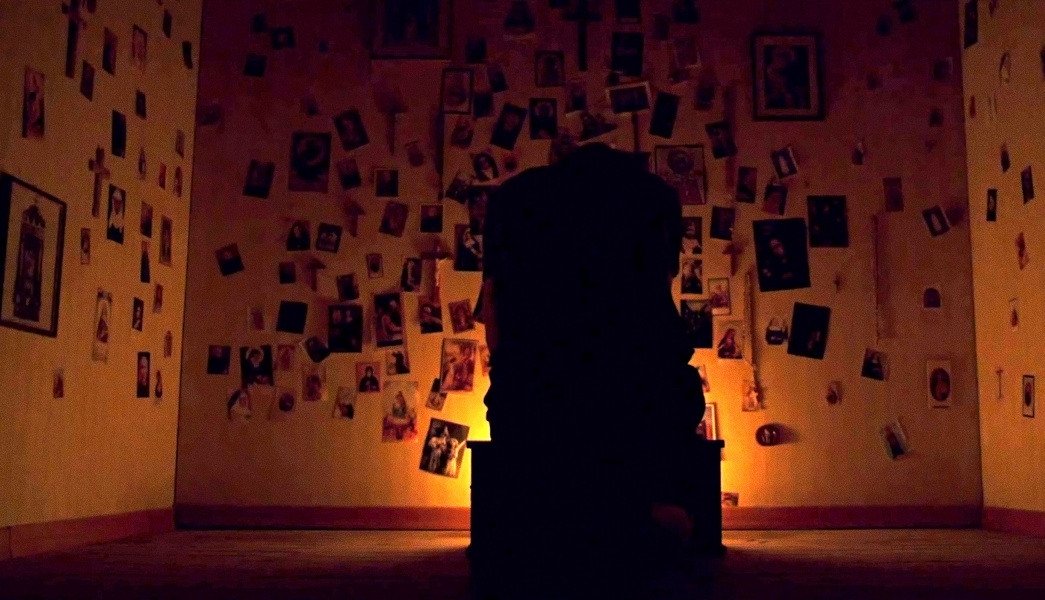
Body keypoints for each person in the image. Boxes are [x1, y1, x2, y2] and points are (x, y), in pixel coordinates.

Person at [479, 142, 704, 595]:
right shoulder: (653, 200)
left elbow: (494, 306)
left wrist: (505, 375)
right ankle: (627, 525)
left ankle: (571, 532)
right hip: (634, 382)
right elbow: (662, 306)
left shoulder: (513, 201)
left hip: (537, 383)